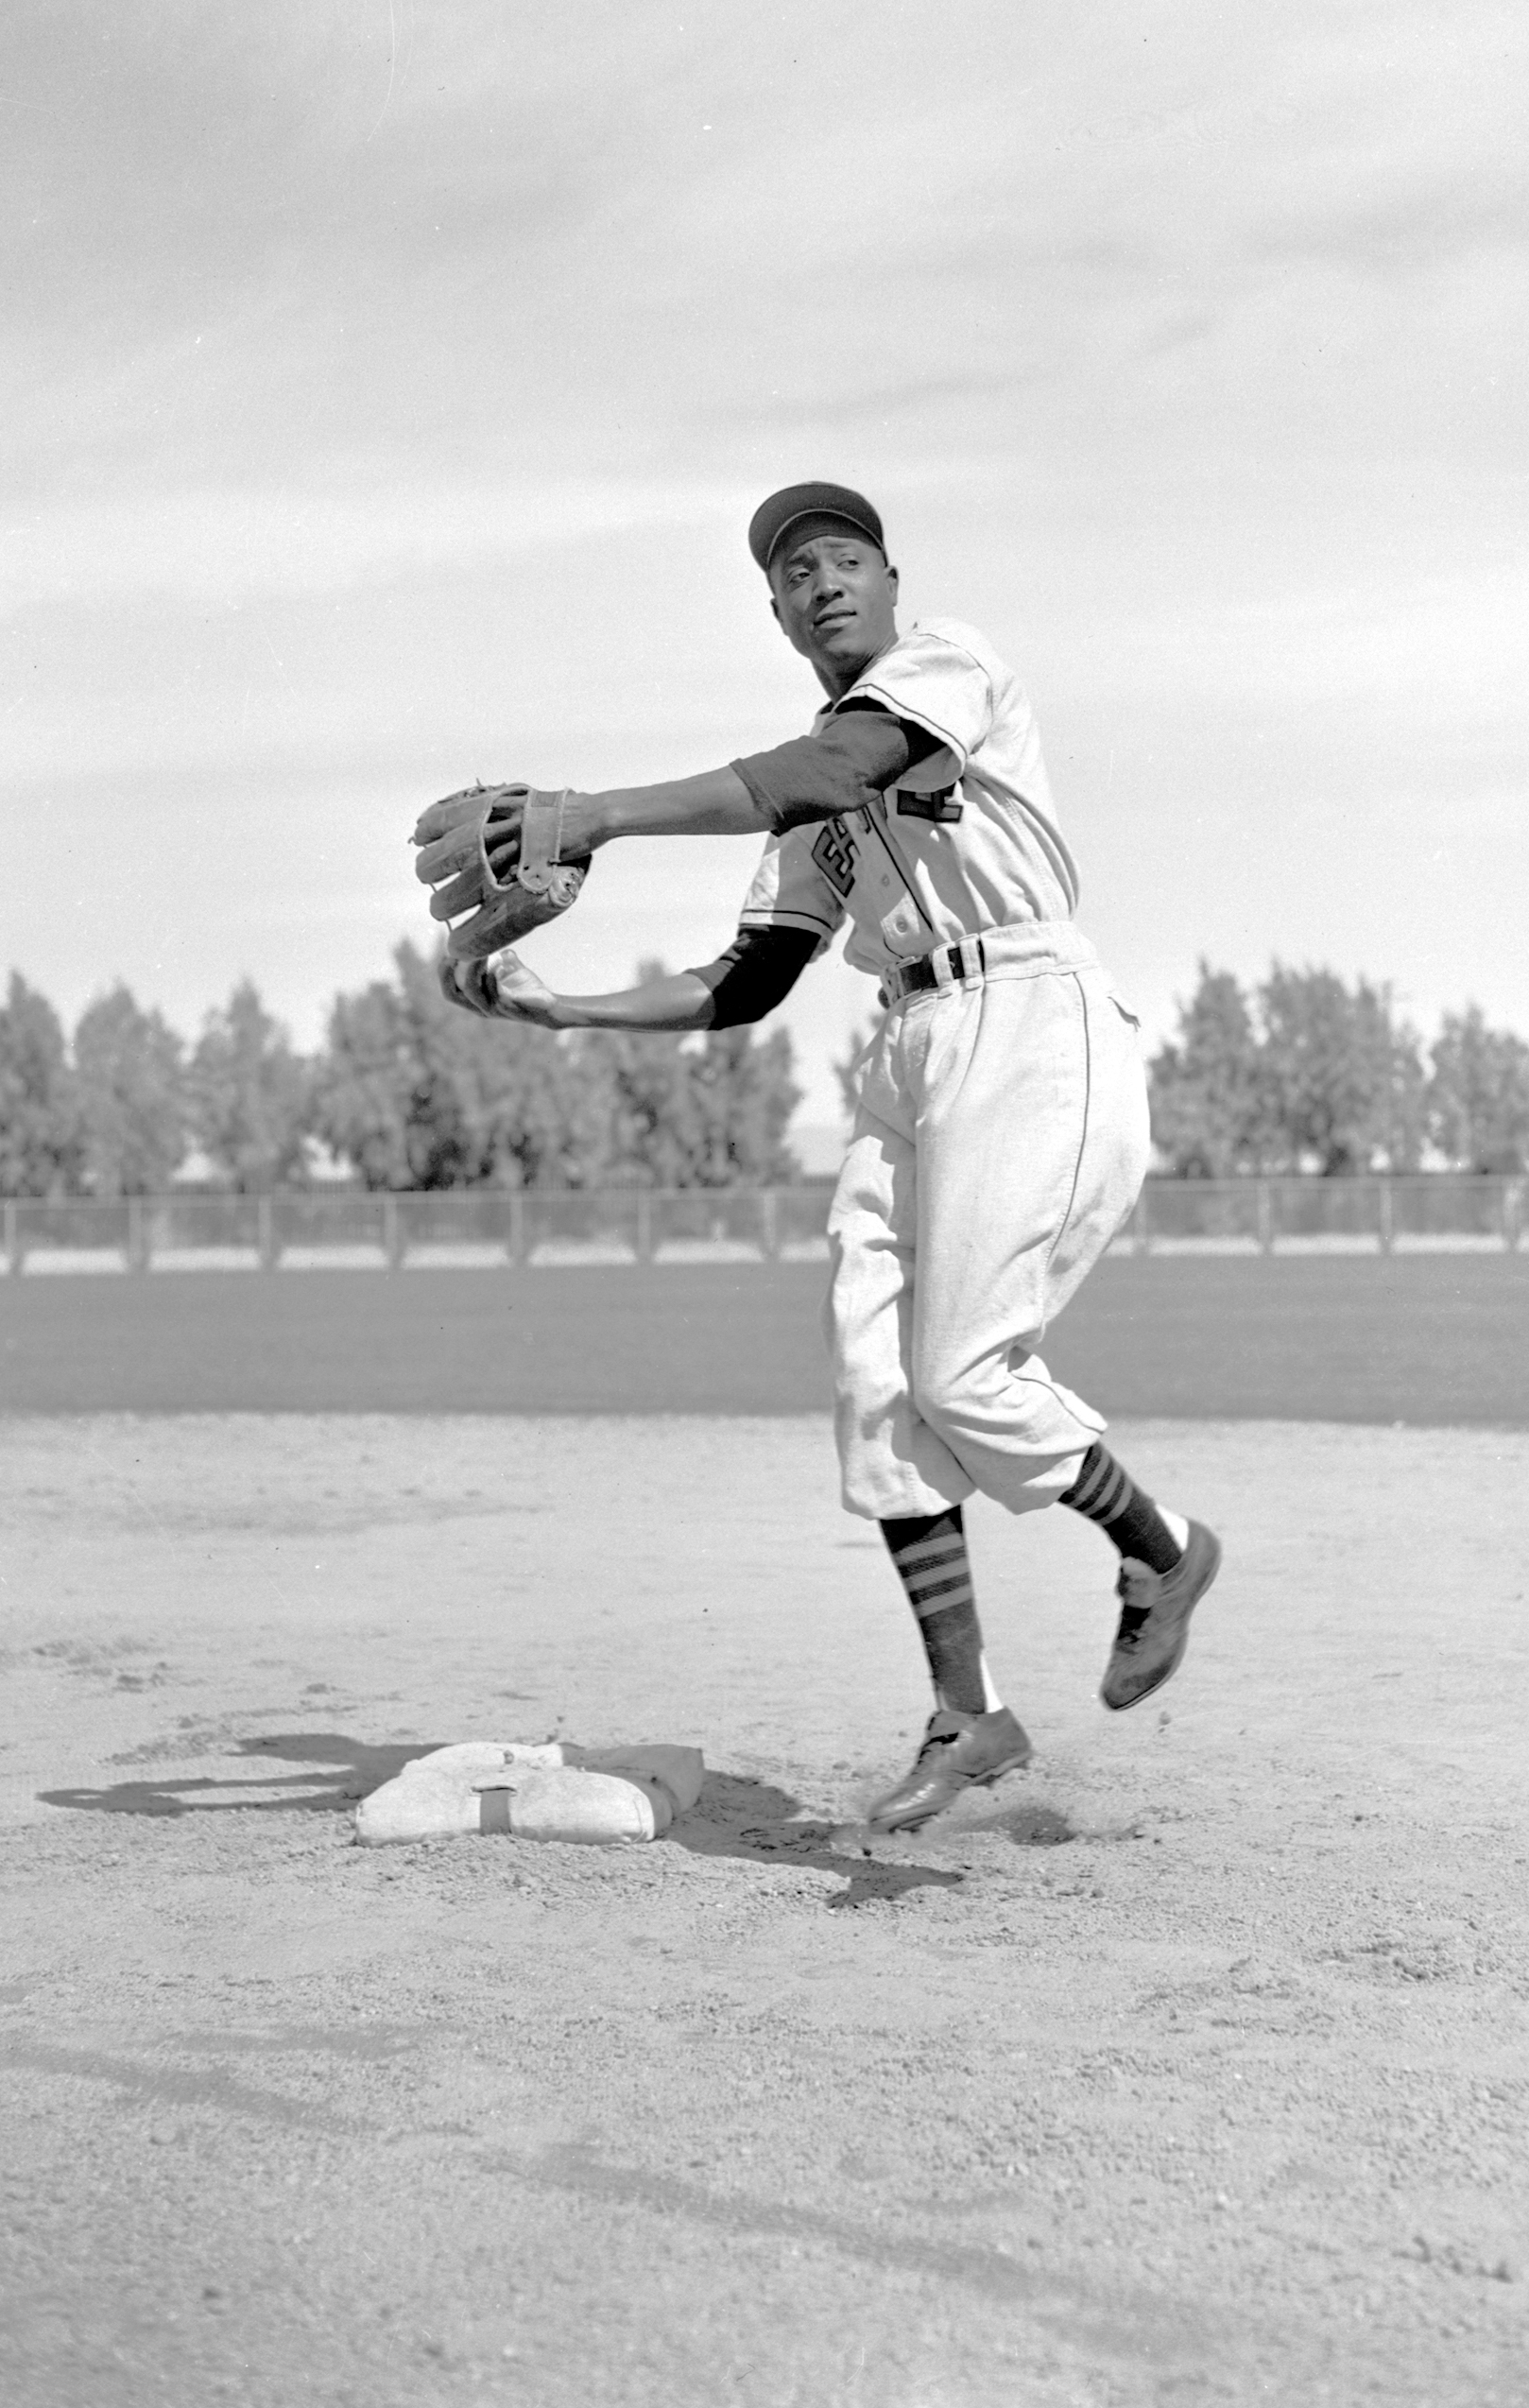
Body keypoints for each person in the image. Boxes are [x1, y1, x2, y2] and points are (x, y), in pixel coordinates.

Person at [440, 481, 1220, 1831]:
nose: (824, 583)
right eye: (796, 572)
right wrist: (552, 1006)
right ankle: (967, 1714)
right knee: (876, 1384)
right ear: (776, 612)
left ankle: (1163, 1553)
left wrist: (595, 813)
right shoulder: (810, 799)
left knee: (963, 1374)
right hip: (912, 1042)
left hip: (1033, 1016)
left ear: (893, 581)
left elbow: (841, 767)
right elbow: (748, 983)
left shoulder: (947, 665)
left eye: (845, 559)